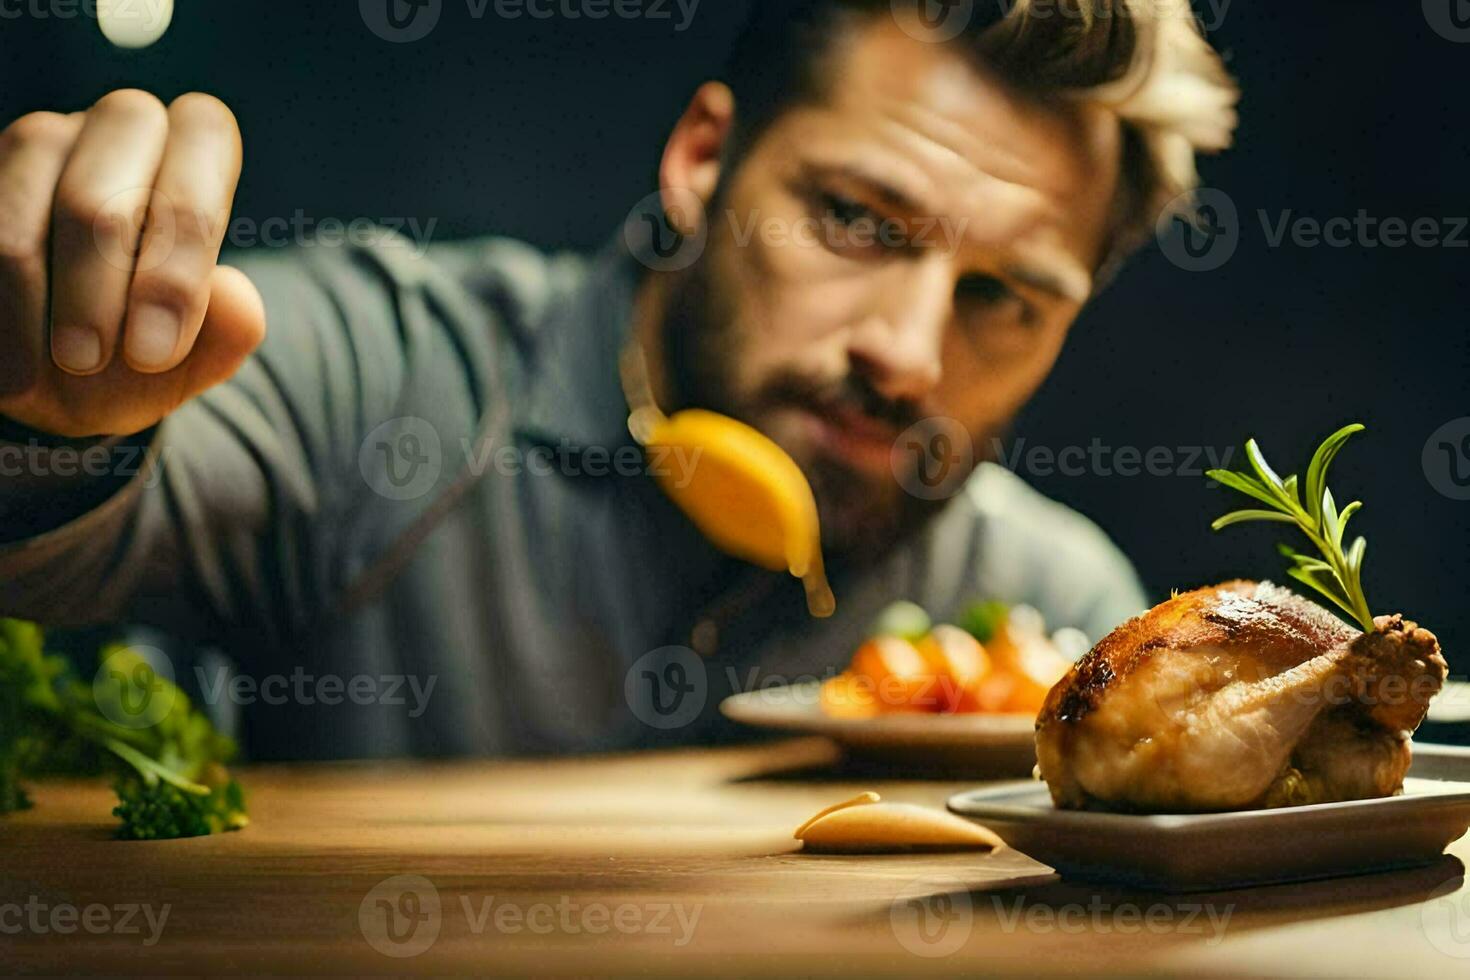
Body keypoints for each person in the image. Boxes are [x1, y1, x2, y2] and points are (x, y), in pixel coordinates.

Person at [0, 1, 1237, 759]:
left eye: (1002, 298)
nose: (908, 356)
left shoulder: (1055, 615)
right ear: (705, 158)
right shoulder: (383, 378)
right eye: (860, 220)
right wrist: (45, 410)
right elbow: (66, 525)